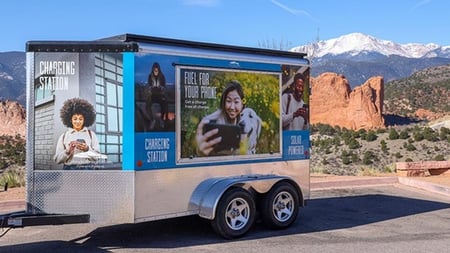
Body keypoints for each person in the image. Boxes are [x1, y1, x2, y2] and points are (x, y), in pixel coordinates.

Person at [195, 80, 244, 156]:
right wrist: (199, 151)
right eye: (228, 101)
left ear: (242, 104)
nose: (232, 107)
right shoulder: (212, 121)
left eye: (236, 102)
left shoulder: (244, 120)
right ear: (223, 102)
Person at [54, 98, 101, 169]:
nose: (78, 121)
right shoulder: (64, 136)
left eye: (80, 119)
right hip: (69, 170)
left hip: (87, 170)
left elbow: (97, 157)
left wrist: (87, 149)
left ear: (85, 119)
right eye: (75, 119)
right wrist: (67, 151)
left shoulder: (91, 135)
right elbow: (57, 159)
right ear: (70, 119)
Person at [147, 62, 168, 128]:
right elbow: (149, 85)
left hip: (160, 95)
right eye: (154, 70)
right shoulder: (150, 76)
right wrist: (151, 89)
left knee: (164, 105)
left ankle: (162, 119)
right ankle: (152, 120)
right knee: (147, 106)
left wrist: (161, 88)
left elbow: (164, 86)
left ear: (159, 70)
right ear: (153, 70)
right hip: (152, 95)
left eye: (157, 70)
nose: (156, 71)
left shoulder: (162, 76)